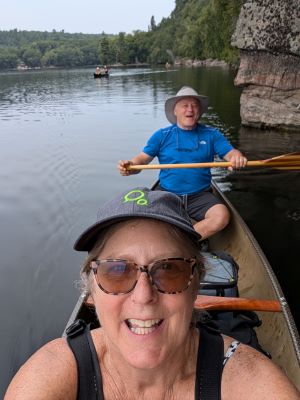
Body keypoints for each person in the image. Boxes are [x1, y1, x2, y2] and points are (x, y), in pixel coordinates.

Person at [4, 187, 300, 399]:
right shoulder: (50, 376)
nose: (143, 296)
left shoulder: (249, 381)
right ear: (90, 291)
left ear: (195, 284)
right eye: (117, 271)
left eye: (170, 269)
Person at [118, 86, 248, 244]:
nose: (190, 110)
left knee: (221, 216)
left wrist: (237, 158)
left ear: (199, 110)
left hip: (200, 196)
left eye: (194, 105)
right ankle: (189, 238)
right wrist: (131, 166)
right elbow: (142, 159)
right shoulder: (162, 135)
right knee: (144, 223)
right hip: (167, 195)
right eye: (185, 105)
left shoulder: (212, 134)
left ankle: (179, 242)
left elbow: (231, 154)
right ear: (175, 111)